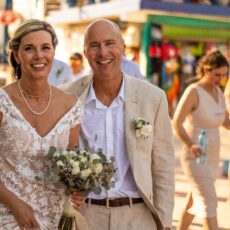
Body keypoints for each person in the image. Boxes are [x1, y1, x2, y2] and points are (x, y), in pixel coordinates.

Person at [61, 19, 175, 230]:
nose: (103, 52)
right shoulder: (66, 97)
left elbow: (163, 167)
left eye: (110, 43)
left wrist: (165, 224)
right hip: (84, 217)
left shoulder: (152, 98)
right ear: (85, 52)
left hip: (137, 217)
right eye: (94, 45)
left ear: (123, 47)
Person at [0, 19, 84, 229]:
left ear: (53, 52)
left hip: (55, 221)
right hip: (7, 217)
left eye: (45, 48)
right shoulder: (2, 102)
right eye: (29, 48)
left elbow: (72, 166)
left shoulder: (71, 106)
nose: (39, 56)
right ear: (17, 55)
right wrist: (16, 206)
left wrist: (78, 188)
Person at [173, 50, 230, 230]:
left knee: (194, 201)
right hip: (196, 156)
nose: (220, 79)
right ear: (206, 70)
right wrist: (190, 144)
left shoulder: (219, 92)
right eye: (217, 75)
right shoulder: (194, 91)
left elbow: (226, 122)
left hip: (213, 158)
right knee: (209, 202)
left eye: (223, 75)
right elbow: (177, 122)